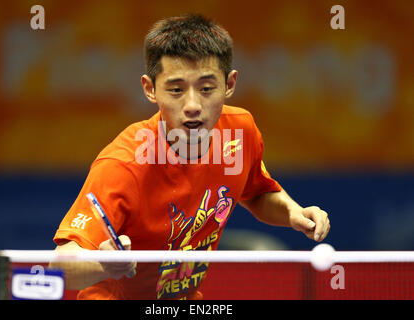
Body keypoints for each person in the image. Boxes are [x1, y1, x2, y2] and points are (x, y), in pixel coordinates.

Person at [51, 14, 330, 300]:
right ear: (150, 89)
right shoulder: (124, 166)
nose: (193, 105)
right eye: (176, 90)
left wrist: (294, 213)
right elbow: (61, 264)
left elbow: (256, 193)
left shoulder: (239, 132)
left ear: (230, 84)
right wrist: (104, 265)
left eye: (207, 88)